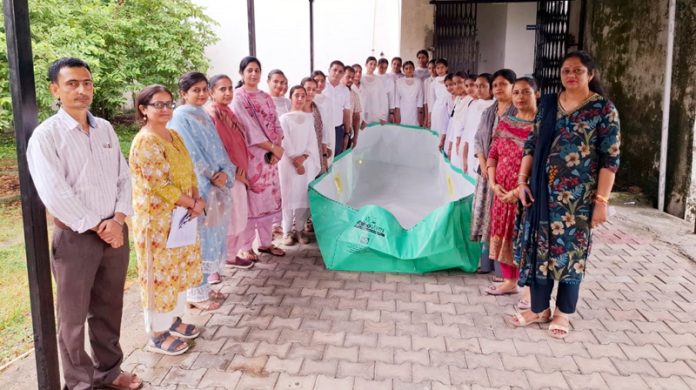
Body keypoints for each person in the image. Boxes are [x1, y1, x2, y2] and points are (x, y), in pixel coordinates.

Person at [27, 57, 142, 390]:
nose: (81, 90)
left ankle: (109, 372)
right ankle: (79, 383)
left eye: (87, 83)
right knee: (72, 319)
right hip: (77, 238)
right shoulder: (46, 137)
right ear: (55, 90)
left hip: (114, 234)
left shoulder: (105, 128)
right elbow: (54, 192)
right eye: (72, 84)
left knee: (109, 308)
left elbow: (124, 177)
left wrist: (118, 220)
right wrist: (99, 225)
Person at [511, 51, 621, 338]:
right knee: (539, 250)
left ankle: (563, 313)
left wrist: (602, 202)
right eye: (566, 71)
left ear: (591, 75)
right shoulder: (547, 104)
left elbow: (610, 159)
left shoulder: (602, 109)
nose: (571, 75)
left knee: (571, 255)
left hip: (578, 200)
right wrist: (522, 181)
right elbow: (532, 143)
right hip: (541, 194)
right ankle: (539, 309)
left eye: (578, 71)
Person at [129, 85, 204, 356]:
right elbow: (161, 185)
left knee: (178, 271)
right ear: (143, 109)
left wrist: (197, 197)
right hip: (158, 223)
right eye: (158, 104)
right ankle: (157, 334)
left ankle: (172, 320)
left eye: (168, 104)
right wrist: (193, 204)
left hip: (181, 218)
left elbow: (190, 170)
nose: (165, 109)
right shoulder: (146, 141)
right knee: (159, 276)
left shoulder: (173, 135)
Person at [168, 71, 235, 302]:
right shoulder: (179, 117)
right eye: (195, 90)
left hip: (216, 182)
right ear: (183, 93)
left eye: (205, 89)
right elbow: (191, 151)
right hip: (199, 184)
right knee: (200, 237)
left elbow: (218, 147)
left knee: (213, 234)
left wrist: (226, 173)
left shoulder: (203, 115)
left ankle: (205, 286)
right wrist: (210, 175)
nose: (202, 94)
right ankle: (195, 292)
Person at [485, 77, 538, 296]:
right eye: (516, 92)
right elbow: (493, 153)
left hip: (525, 193)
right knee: (502, 233)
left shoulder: (541, 126)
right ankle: (509, 281)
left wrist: (518, 191)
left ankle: (530, 292)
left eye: (526, 92)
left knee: (524, 237)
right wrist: (493, 183)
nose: (520, 97)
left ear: (537, 93)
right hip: (500, 191)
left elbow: (542, 161)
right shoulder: (505, 121)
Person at [232, 56, 287, 259]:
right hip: (253, 157)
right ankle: (246, 247)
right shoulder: (238, 97)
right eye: (249, 70)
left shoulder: (265, 96)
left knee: (268, 200)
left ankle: (266, 243)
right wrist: (272, 148)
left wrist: (278, 149)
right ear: (242, 73)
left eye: (257, 70)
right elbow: (249, 129)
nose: (253, 74)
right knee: (252, 202)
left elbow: (276, 123)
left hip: (271, 158)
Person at [206, 74, 255, 269]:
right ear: (212, 92)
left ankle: (231, 256)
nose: (227, 93)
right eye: (222, 89)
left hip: (238, 173)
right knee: (221, 220)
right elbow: (213, 148)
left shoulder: (228, 112)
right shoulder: (211, 115)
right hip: (222, 176)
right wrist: (229, 170)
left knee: (238, 216)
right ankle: (213, 269)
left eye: (229, 89)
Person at [471, 69, 517, 278]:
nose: (498, 88)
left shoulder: (518, 113)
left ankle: (502, 269)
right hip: (486, 175)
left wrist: (498, 170)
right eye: (495, 85)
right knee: (485, 217)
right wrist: (484, 166)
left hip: (507, 176)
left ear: (513, 87)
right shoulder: (488, 112)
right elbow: (479, 140)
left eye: (503, 84)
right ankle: (485, 263)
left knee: (502, 219)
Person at [279, 86, 322, 245]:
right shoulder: (284, 118)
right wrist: (294, 159)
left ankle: (300, 229)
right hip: (288, 163)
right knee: (289, 195)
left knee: (303, 195)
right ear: (290, 97)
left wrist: (303, 158)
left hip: (307, 162)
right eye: (296, 95)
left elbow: (312, 140)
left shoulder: (309, 118)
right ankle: (287, 231)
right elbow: (285, 140)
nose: (299, 98)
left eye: (303, 96)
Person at [460, 73, 494, 175]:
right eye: (477, 86)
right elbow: (467, 132)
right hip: (472, 151)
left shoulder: (493, 107)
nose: (478, 89)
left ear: (491, 88)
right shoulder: (473, 104)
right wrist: (465, 156)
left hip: (484, 156)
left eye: (483, 86)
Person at [323, 60, 353, 156]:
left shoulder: (345, 90)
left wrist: (346, 134)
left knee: (337, 158)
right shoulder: (321, 86)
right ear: (329, 70)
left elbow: (346, 113)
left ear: (343, 74)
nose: (337, 73)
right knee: (322, 159)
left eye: (340, 71)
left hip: (338, 130)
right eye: (334, 70)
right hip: (322, 129)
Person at [312, 70, 336, 165]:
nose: (320, 83)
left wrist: (329, 144)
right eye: (317, 80)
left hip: (327, 139)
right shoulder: (308, 99)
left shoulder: (328, 100)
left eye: (322, 81)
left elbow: (329, 124)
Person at [359, 56, 389, 125]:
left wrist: (383, 116)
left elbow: (383, 98)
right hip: (363, 111)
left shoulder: (379, 80)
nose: (373, 66)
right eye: (371, 64)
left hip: (376, 113)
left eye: (375, 64)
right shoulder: (361, 79)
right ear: (366, 65)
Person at [394, 60, 424, 126]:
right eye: (406, 68)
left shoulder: (418, 81)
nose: (408, 70)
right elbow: (397, 99)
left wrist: (420, 114)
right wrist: (397, 114)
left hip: (414, 109)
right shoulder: (399, 81)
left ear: (413, 69)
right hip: (403, 109)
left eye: (410, 68)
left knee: (414, 129)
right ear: (403, 70)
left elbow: (420, 98)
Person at [428, 58, 450, 146]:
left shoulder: (450, 80)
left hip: (448, 110)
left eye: (442, 67)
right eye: (438, 68)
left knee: (447, 132)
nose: (440, 70)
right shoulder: (433, 83)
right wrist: (429, 117)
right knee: (437, 133)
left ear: (446, 68)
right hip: (437, 111)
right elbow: (431, 100)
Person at [341, 66, 362, 149]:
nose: (350, 80)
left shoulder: (354, 95)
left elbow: (356, 117)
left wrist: (355, 137)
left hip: (347, 134)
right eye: (348, 77)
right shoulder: (332, 93)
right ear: (342, 75)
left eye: (352, 78)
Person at [376, 57, 396, 123]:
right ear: (377, 65)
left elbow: (391, 97)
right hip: (373, 106)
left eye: (385, 67)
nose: (383, 69)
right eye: (381, 67)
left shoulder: (389, 79)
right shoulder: (373, 77)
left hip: (384, 106)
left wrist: (391, 113)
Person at [423, 59, 437, 128]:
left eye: (434, 67)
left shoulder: (443, 81)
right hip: (430, 110)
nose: (432, 70)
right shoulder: (426, 81)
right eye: (429, 68)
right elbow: (426, 100)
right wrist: (426, 117)